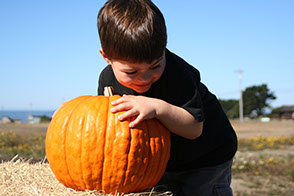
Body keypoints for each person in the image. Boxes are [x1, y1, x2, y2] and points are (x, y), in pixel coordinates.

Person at [97, 0, 238, 195]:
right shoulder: (107, 81)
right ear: (106, 57)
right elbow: (107, 129)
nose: (145, 78)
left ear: (164, 49)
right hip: (161, 163)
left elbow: (194, 128)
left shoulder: (178, 73)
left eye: (155, 66)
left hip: (206, 159)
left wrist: (157, 108)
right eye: (131, 72)